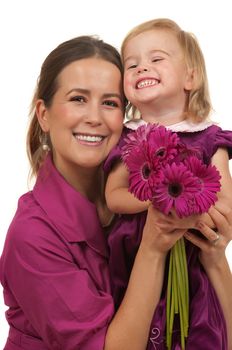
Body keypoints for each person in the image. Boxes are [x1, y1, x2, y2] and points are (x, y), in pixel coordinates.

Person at [0, 35, 193, 350]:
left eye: (110, 102)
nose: (95, 117)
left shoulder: (140, 197)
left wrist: (214, 254)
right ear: (44, 114)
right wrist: (153, 250)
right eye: (78, 98)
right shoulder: (32, 235)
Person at [105, 19, 232, 349]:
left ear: (190, 77)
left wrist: (190, 211)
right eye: (131, 64)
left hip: (193, 265)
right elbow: (114, 197)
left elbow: (225, 204)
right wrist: (155, 202)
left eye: (156, 59)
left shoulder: (209, 138)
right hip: (134, 265)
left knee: (197, 329)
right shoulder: (129, 139)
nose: (142, 66)